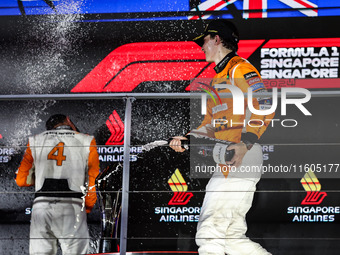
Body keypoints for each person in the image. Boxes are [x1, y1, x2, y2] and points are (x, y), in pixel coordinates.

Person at [170, 20, 274, 255]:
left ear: (217, 39)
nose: (202, 47)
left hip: (241, 155)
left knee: (210, 232)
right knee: (231, 238)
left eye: (204, 41)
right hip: (229, 158)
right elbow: (210, 125)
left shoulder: (240, 67)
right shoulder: (217, 80)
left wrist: (245, 143)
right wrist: (188, 139)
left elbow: (265, 103)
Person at [15, 114, 100, 255]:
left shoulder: (35, 140)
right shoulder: (87, 140)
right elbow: (93, 180)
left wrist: (41, 176)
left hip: (41, 207)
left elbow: (21, 180)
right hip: (72, 205)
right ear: (68, 120)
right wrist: (88, 207)